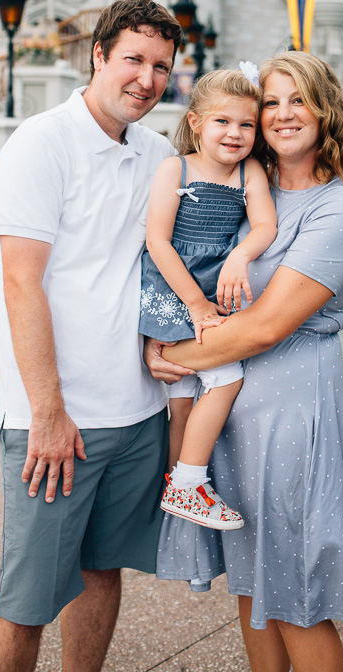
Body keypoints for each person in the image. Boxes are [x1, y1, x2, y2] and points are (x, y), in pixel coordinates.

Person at [0, 0, 182, 672]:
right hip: (57, 423)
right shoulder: (41, 142)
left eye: (160, 66)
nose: (146, 79)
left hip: (138, 414)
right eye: (132, 60)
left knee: (102, 572)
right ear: (97, 55)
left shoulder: (158, 154)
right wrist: (48, 412)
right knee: (24, 604)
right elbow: (20, 284)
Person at [145, 51, 343, 672]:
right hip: (234, 409)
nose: (281, 114)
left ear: (326, 108)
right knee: (252, 582)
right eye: (270, 102)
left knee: (298, 587)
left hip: (294, 404)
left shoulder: (342, 209)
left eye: (297, 99)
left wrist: (168, 353)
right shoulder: (250, 186)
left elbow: (269, 325)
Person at [140, 69, 277, 530]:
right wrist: (196, 306)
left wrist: (240, 255)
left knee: (187, 388)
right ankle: (187, 481)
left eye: (247, 125)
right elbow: (158, 242)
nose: (235, 134)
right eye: (223, 122)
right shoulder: (174, 168)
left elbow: (264, 226)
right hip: (174, 288)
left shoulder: (249, 171)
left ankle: (177, 485)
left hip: (215, 287)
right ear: (196, 122)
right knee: (222, 378)